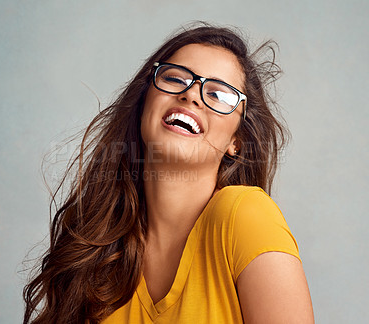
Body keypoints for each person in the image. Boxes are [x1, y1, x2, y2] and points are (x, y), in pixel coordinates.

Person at [23, 23, 315, 323]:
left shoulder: (246, 215)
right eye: (175, 78)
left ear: (235, 142)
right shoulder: (95, 254)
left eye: (220, 95)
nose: (192, 96)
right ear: (143, 104)